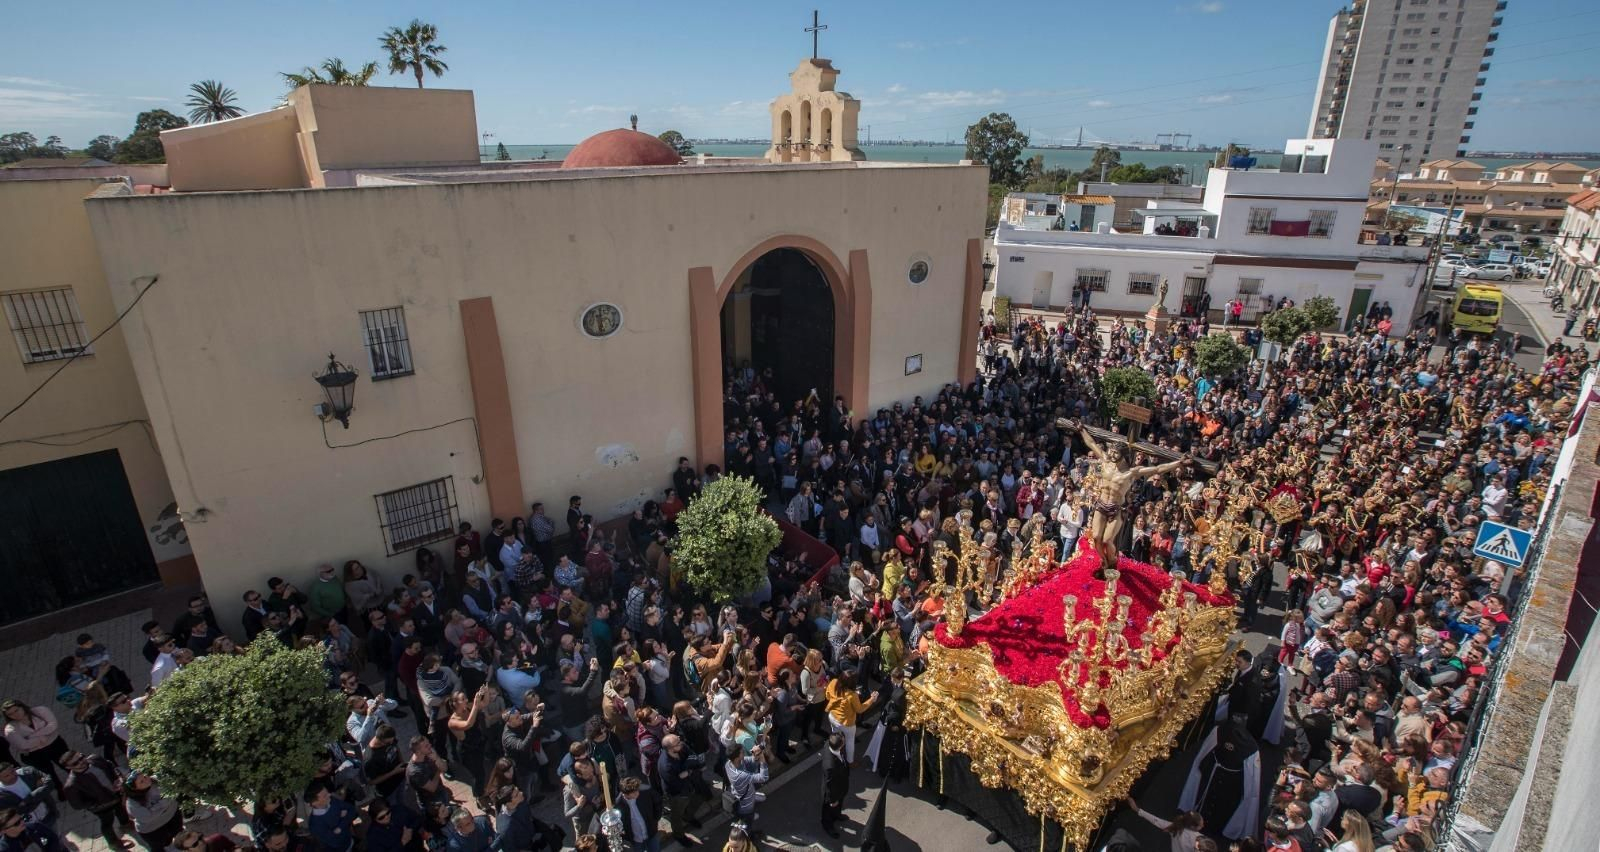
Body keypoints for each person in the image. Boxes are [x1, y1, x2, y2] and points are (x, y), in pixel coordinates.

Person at [59, 751, 132, 849]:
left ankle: (126, 824)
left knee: (121, 810)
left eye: (81, 757)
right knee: (107, 823)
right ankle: (113, 843)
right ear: (68, 767)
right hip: (102, 807)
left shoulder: (95, 759)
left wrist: (117, 778)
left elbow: (109, 766)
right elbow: (77, 805)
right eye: (75, 763)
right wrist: (96, 802)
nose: (81, 761)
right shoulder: (72, 785)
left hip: (115, 795)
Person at [0, 702, 66, 786]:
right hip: (35, 754)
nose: (15, 715)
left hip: (55, 745)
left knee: (67, 764)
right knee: (49, 775)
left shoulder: (40, 711)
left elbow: (52, 725)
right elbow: (23, 745)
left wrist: (32, 736)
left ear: (22, 707)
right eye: (10, 714)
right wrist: (43, 736)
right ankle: (60, 789)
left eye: (16, 710)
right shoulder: (10, 729)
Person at [123, 771, 183, 852]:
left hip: (172, 816)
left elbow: (174, 792)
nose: (146, 780)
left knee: (180, 837)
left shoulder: (158, 780)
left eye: (144, 776)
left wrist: (154, 808)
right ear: (135, 788)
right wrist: (164, 803)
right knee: (159, 848)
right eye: (141, 782)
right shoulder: (132, 803)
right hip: (152, 829)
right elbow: (147, 817)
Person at [618, 774, 662, 852]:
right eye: (634, 793)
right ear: (625, 794)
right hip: (636, 840)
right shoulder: (619, 804)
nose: (637, 793)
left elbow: (657, 803)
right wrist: (627, 836)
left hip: (651, 833)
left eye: (637, 790)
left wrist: (655, 819)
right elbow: (621, 823)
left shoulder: (646, 793)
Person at [820, 732, 849, 838]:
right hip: (832, 790)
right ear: (840, 745)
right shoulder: (830, 766)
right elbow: (830, 785)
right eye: (843, 741)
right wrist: (832, 800)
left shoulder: (829, 743)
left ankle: (837, 815)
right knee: (828, 808)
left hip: (840, 784)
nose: (845, 742)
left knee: (839, 802)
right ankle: (827, 825)